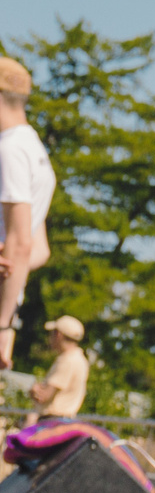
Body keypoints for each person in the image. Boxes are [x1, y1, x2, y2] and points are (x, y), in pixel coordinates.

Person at [0, 53, 56, 371]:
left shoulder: (8, 149)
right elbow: (39, 250)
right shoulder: (34, 148)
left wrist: (2, 325)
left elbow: (20, 245)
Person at [28, 315, 86, 419]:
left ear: (58, 334)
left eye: (51, 333)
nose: (49, 338)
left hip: (52, 420)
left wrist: (34, 390)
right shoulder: (80, 359)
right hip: (65, 420)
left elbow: (43, 396)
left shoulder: (67, 360)